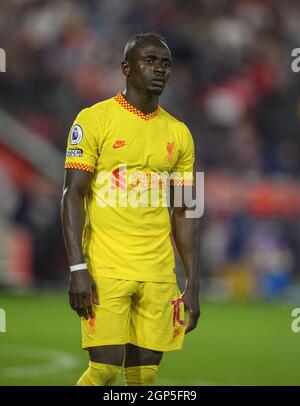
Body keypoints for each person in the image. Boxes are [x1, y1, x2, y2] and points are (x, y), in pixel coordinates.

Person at [61, 32, 200, 386]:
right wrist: (78, 266)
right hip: (106, 265)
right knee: (105, 371)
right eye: (149, 61)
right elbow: (71, 195)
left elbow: (185, 210)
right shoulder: (93, 120)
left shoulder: (180, 134)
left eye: (165, 63)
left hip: (158, 271)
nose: (159, 70)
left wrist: (192, 281)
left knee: (144, 378)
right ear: (126, 68)